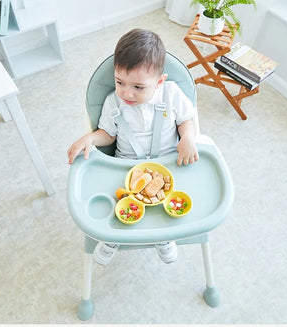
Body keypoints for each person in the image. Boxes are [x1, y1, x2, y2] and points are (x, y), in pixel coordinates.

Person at [67, 28, 198, 266]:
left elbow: (186, 121)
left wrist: (187, 138)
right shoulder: (113, 102)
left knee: (166, 204)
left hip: (166, 164)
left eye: (138, 87)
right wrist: (90, 139)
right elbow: (107, 134)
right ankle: (112, 238)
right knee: (118, 199)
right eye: (120, 82)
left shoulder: (172, 94)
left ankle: (163, 237)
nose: (127, 92)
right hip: (125, 166)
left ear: (159, 82)